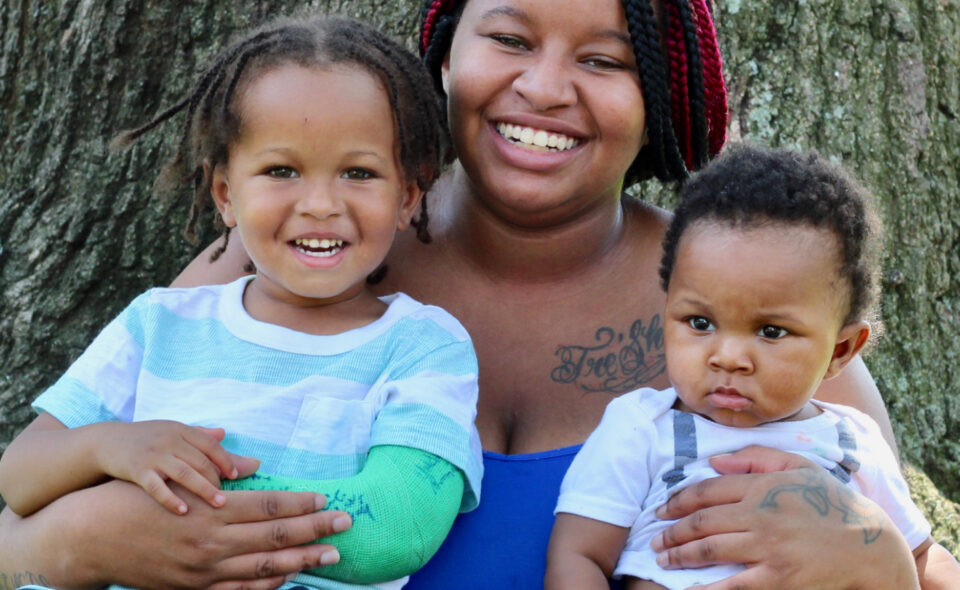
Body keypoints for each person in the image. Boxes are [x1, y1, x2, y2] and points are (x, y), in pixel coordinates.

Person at [0, 1, 926, 589]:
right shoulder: (273, 271)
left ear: (660, 96)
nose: (544, 86)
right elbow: (30, 508)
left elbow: (918, 557)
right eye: (510, 38)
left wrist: (881, 566)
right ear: (444, 53)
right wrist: (68, 548)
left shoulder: (745, 303)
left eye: (603, 60)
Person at [0, 15, 482, 590]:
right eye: (281, 170)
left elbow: (395, 528)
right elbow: (20, 476)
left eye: (359, 172)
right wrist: (108, 448)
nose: (321, 204)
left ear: (407, 197)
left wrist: (153, 509)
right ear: (226, 195)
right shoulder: (159, 323)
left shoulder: (422, 346)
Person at [545, 144, 960, 590]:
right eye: (700, 323)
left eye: (771, 331)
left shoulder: (854, 442)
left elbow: (920, 557)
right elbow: (578, 554)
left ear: (841, 350)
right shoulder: (642, 428)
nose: (728, 357)